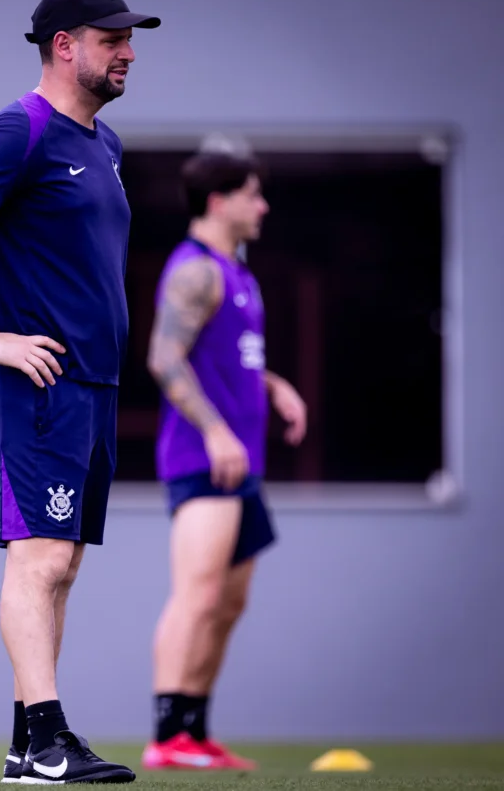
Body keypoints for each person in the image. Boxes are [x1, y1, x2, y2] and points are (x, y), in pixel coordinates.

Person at [0, 0, 159, 786]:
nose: (129, 53)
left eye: (129, 39)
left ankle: (30, 748)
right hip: (39, 385)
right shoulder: (19, 129)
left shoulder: (103, 143)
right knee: (39, 560)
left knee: (63, 565)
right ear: (64, 46)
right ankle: (52, 741)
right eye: (112, 39)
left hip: (91, 386)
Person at [141, 151, 308, 771]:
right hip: (203, 460)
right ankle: (166, 738)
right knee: (197, 594)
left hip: (243, 464)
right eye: (252, 195)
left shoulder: (238, 272)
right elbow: (164, 358)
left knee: (229, 602)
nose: (263, 207)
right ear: (219, 201)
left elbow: (226, 359)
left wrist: (272, 384)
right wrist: (214, 432)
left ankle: (195, 732)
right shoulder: (196, 272)